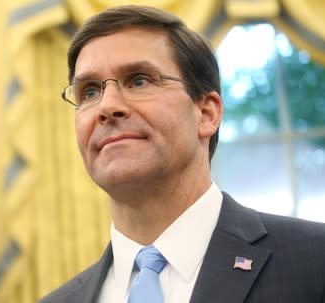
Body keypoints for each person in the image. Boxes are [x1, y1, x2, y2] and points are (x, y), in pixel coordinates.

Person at [39, 5, 325, 303]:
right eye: (89, 91)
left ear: (206, 114)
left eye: (139, 81)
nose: (107, 106)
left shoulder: (316, 261)